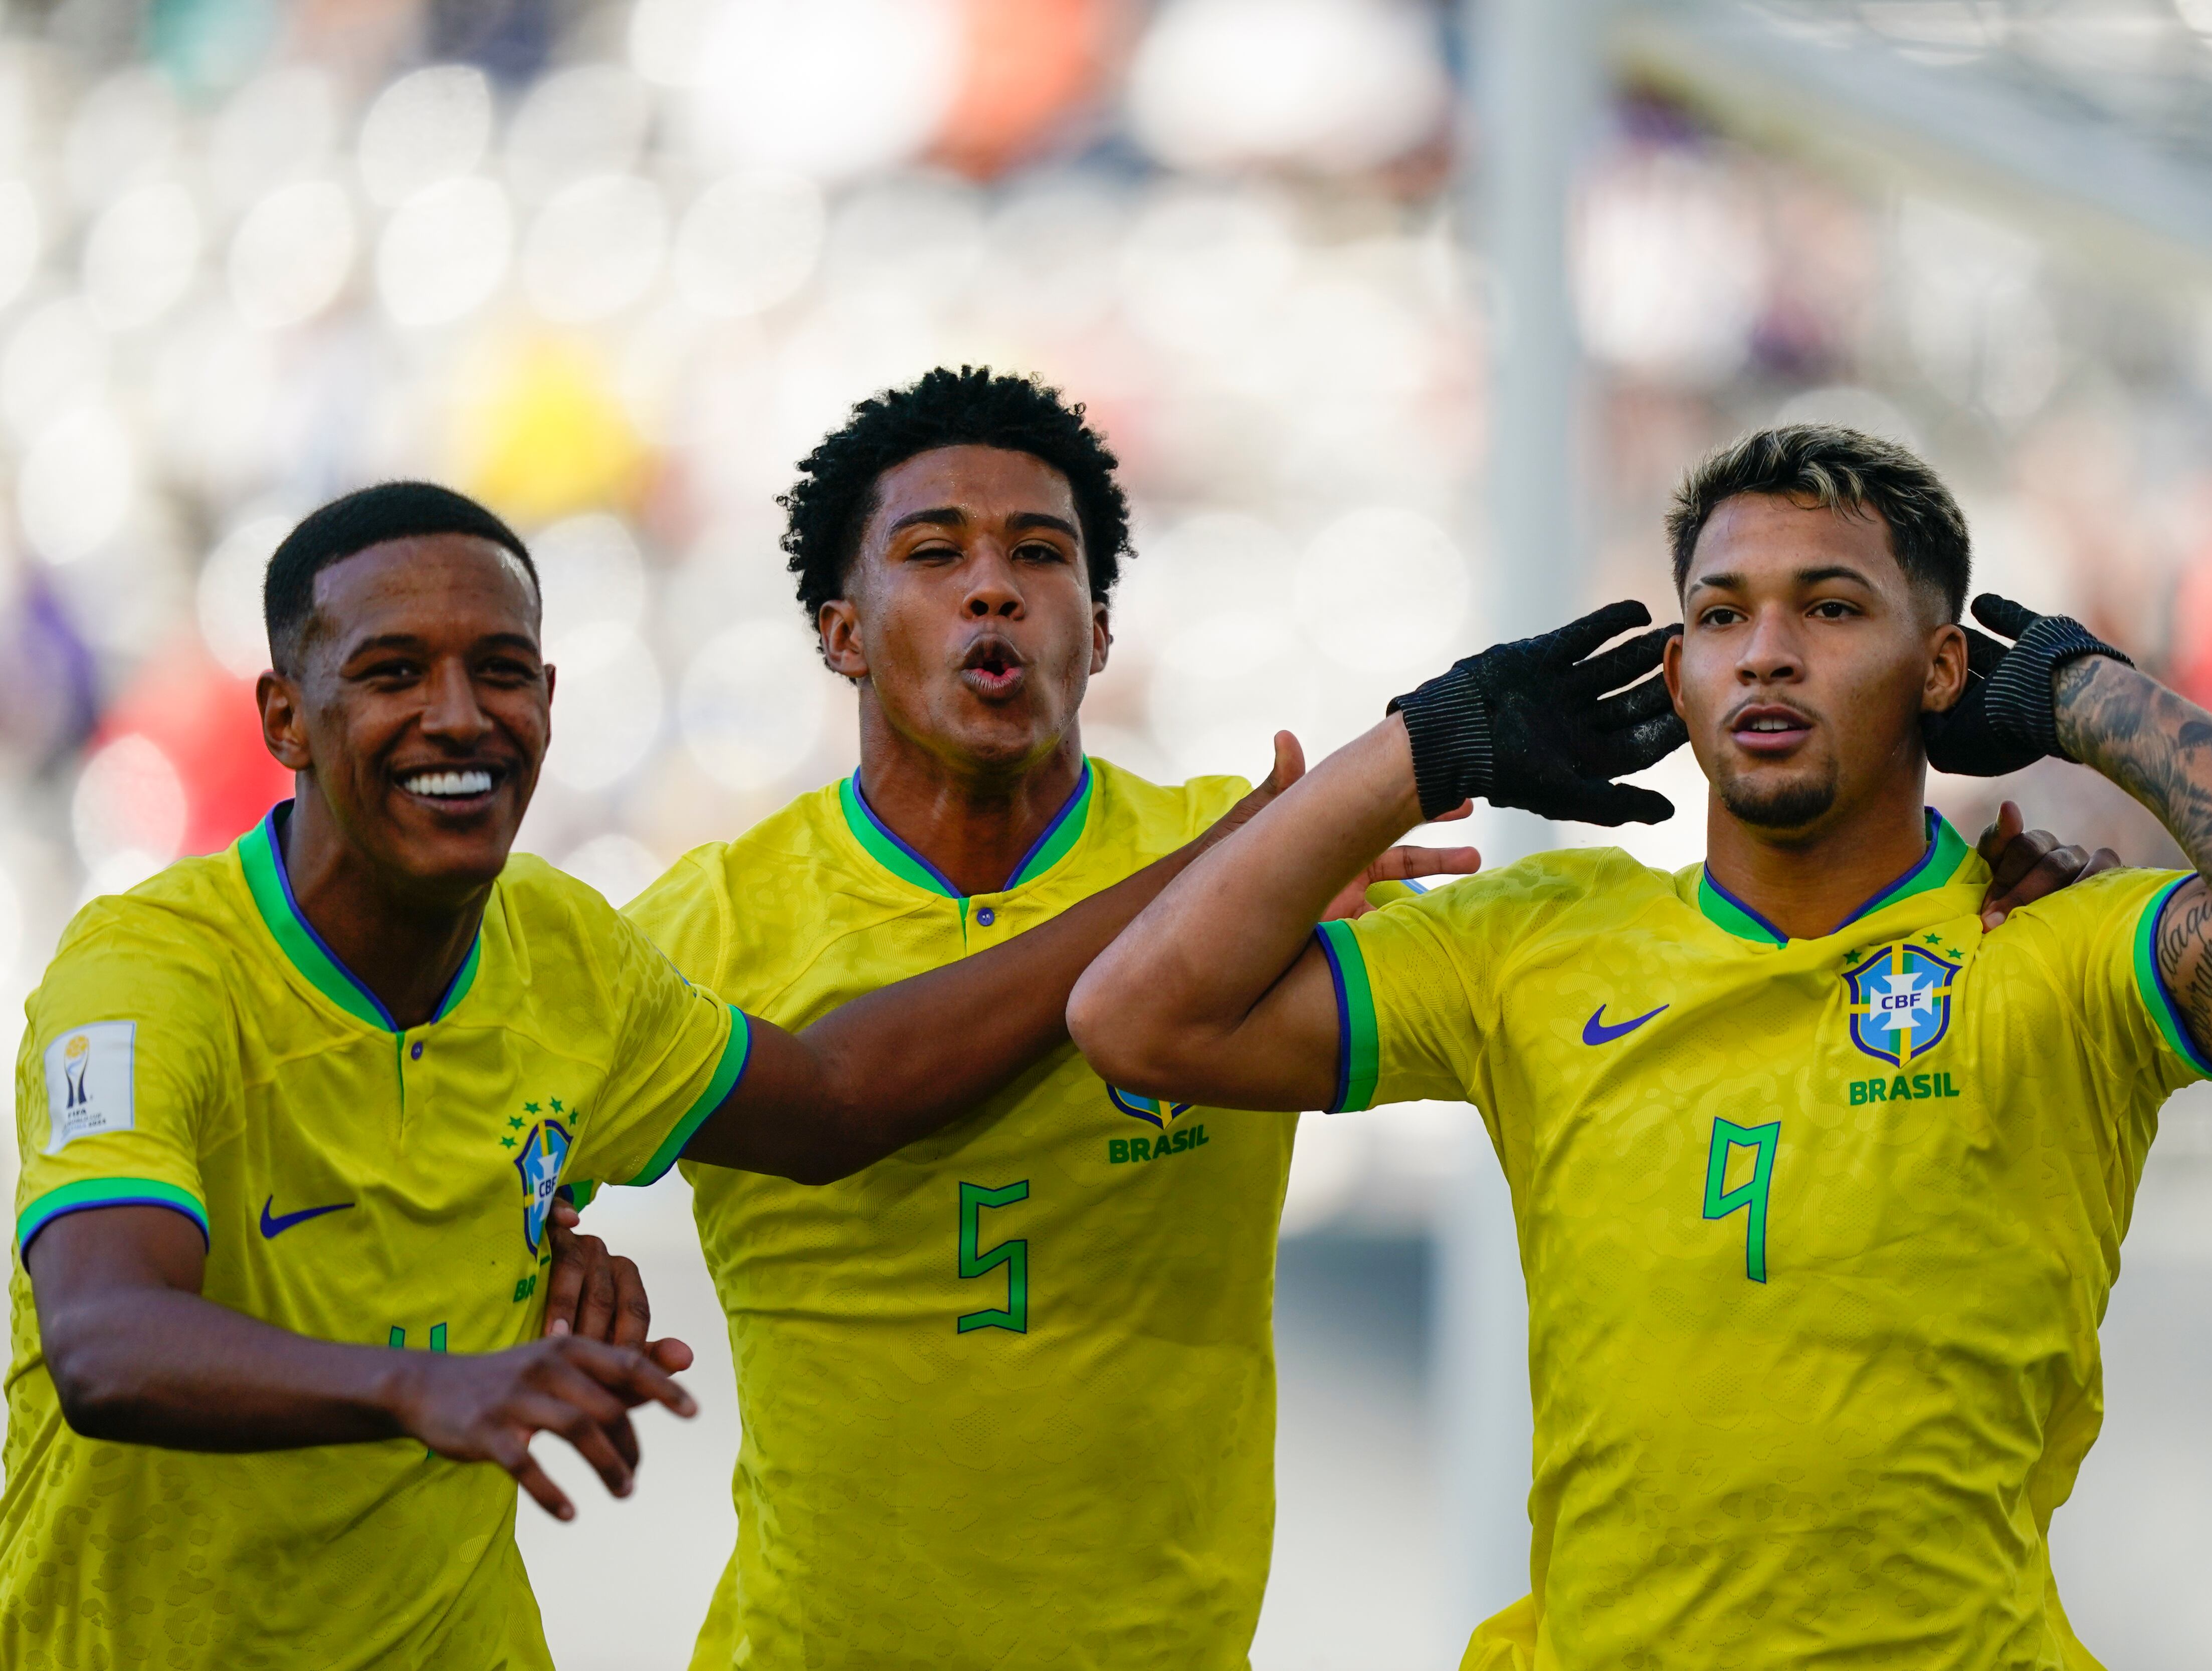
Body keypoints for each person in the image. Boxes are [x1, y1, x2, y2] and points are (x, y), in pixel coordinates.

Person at [618, 371, 2109, 1666]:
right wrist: (559, 1248)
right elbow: (539, 1132)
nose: (993, 588)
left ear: (1103, 623)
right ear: (840, 630)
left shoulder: (1265, 885)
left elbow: (1636, 991)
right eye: (935, 555)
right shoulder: (722, 920)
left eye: (1042, 555)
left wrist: (1946, 899)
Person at [1068, 424, 2212, 1667]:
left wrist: (2087, 701)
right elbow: (1136, 1019)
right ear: (1678, 673)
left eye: (1832, 609)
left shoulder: (2063, 952)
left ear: (1947, 670)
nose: (1766, 651)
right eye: (1722, 617)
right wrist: (1430, 745)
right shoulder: (1538, 941)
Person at [0, 480, 1354, 1669]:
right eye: (394, 673)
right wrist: (427, 1386)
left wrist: (1219, 877)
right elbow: (106, 1343)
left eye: (504, 671)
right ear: (287, 720)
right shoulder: (148, 972)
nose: (458, 718)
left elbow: (831, 1104)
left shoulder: (567, 953)